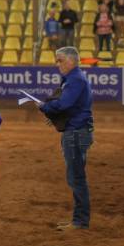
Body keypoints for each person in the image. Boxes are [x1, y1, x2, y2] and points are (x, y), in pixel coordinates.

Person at [40, 46, 94, 231]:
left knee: (76, 177)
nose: (57, 64)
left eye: (60, 60)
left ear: (72, 60)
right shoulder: (74, 79)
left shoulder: (75, 80)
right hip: (78, 131)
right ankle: (79, 219)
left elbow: (64, 104)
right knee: (76, 176)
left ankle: (80, 221)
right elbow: (71, 106)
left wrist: (44, 107)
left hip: (76, 133)